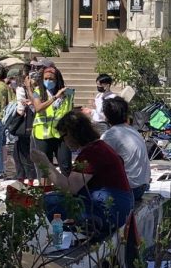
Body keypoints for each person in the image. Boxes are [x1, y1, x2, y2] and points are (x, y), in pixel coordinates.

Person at [32, 110, 133, 239]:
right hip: (118, 205)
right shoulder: (99, 147)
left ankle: (86, 223)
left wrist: (45, 163)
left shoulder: (92, 152)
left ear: (73, 133)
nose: (64, 142)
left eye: (64, 137)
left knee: (50, 201)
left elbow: (69, 188)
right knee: (55, 199)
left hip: (111, 209)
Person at [100, 95, 151, 200]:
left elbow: (97, 164)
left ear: (106, 116)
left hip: (129, 190)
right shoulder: (133, 131)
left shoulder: (110, 135)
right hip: (142, 186)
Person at [30, 63, 73, 175]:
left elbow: (70, 110)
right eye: (46, 79)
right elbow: (38, 108)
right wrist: (55, 98)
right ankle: (46, 191)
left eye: (51, 79)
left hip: (61, 135)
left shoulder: (67, 93)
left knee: (66, 166)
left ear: (57, 79)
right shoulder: (38, 92)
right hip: (43, 135)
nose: (48, 81)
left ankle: (67, 191)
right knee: (45, 168)